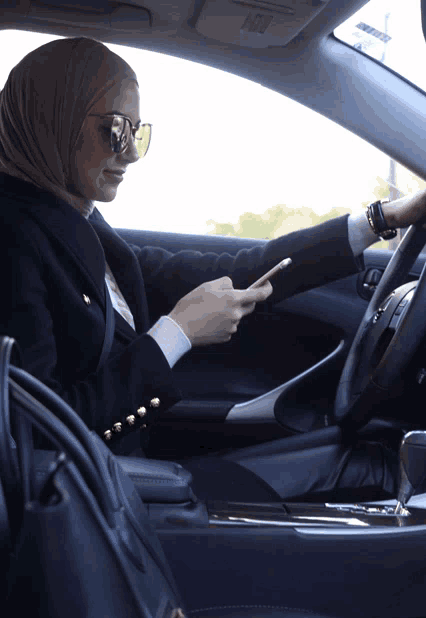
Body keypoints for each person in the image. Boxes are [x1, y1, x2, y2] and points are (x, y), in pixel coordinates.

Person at [1, 36, 425, 503]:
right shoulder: (13, 238)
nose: (131, 154)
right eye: (116, 129)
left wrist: (382, 218)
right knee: (374, 472)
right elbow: (35, 436)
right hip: (105, 502)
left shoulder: (76, 220)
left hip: (127, 474)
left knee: (362, 457)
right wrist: (177, 334)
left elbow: (237, 269)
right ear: (53, 119)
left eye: (138, 133)